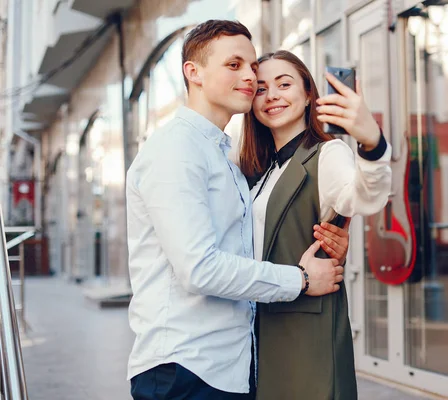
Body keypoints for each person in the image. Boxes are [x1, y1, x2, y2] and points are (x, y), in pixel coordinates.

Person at [126, 20, 348, 400]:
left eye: (251, 66)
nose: (249, 76)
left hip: (228, 366)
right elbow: (200, 268)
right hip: (186, 368)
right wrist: (301, 279)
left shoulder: (224, 156)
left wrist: (330, 241)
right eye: (234, 65)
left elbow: (242, 247)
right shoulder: (176, 151)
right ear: (192, 73)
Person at [238, 50, 392, 400]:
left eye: (284, 84)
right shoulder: (257, 169)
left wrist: (372, 143)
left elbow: (364, 197)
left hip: (304, 328)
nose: (272, 95)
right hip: (260, 326)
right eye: (260, 89)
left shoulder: (328, 153)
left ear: (309, 94)